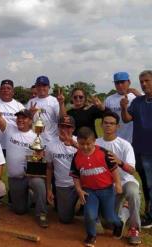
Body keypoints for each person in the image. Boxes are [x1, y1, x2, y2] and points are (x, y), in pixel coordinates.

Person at [0, 94, 48, 228]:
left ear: (30, 120)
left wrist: (38, 159)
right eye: (19, 117)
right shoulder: (10, 129)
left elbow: (40, 159)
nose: (20, 120)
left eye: (24, 118)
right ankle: (30, 197)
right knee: (19, 211)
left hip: (30, 176)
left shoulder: (36, 136)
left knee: (39, 184)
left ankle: (42, 213)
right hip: (15, 177)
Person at [70, 127, 124, 247]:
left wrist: (118, 184)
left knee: (108, 216)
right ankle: (91, 235)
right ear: (78, 142)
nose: (85, 147)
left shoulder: (104, 153)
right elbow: (75, 176)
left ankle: (119, 223)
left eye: (88, 144)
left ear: (94, 141)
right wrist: (79, 190)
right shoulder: (76, 157)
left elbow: (114, 170)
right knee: (89, 214)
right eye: (82, 144)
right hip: (89, 191)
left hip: (106, 189)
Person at [96, 112, 141, 245]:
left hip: (125, 181)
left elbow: (132, 170)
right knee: (109, 224)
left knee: (133, 192)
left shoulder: (125, 145)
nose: (108, 126)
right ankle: (123, 213)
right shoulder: (96, 143)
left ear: (118, 127)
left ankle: (134, 228)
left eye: (112, 123)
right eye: (106, 123)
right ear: (101, 124)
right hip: (107, 185)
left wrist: (119, 162)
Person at [121, 70, 152, 228]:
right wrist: (124, 107)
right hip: (138, 148)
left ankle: (150, 216)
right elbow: (126, 119)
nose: (144, 84)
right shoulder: (138, 101)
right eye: (141, 81)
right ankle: (148, 211)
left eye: (147, 80)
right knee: (146, 183)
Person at [45, 115, 78, 224]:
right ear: (58, 127)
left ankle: (92, 214)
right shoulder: (50, 145)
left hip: (84, 183)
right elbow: (49, 168)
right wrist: (49, 189)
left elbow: (92, 154)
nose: (64, 130)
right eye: (62, 126)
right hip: (63, 185)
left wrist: (73, 143)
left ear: (73, 128)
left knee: (90, 211)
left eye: (68, 127)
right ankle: (72, 205)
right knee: (65, 219)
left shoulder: (80, 142)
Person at [0, 79, 25, 153]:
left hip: (12, 144)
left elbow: (25, 125)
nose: (5, 90)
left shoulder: (19, 106)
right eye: (3, 88)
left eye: (8, 88)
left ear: (13, 92)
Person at [104, 72, 141, 143]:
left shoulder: (137, 96)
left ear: (129, 82)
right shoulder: (109, 99)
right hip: (115, 139)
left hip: (135, 139)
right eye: (117, 83)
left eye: (122, 82)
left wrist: (138, 95)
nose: (120, 85)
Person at [26, 76, 59, 143]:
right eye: (39, 85)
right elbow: (26, 123)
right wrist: (30, 115)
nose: (41, 88)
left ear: (49, 87)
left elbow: (61, 119)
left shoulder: (54, 101)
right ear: (36, 86)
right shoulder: (31, 102)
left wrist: (62, 104)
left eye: (44, 85)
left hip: (52, 140)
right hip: (34, 140)